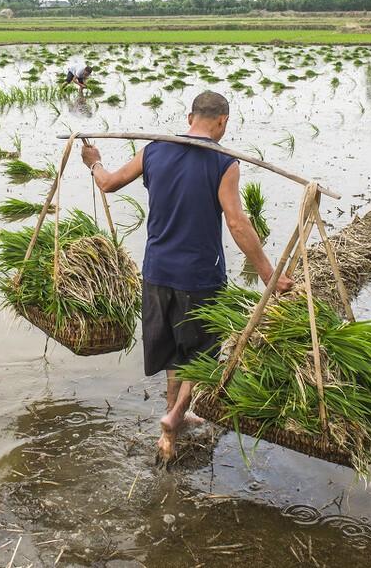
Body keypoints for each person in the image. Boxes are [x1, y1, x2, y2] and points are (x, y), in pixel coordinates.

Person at [81, 91, 294, 462]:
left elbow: (108, 183)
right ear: (223, 121)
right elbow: (236, 222)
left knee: (174, 356)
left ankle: (170, 435)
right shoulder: (223, 162)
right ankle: (176, 415)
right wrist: (269, 275)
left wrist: (94, 162)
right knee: (200, 355)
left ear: (189, 117)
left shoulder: (154, 151)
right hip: (200, 277)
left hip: (157, 272)